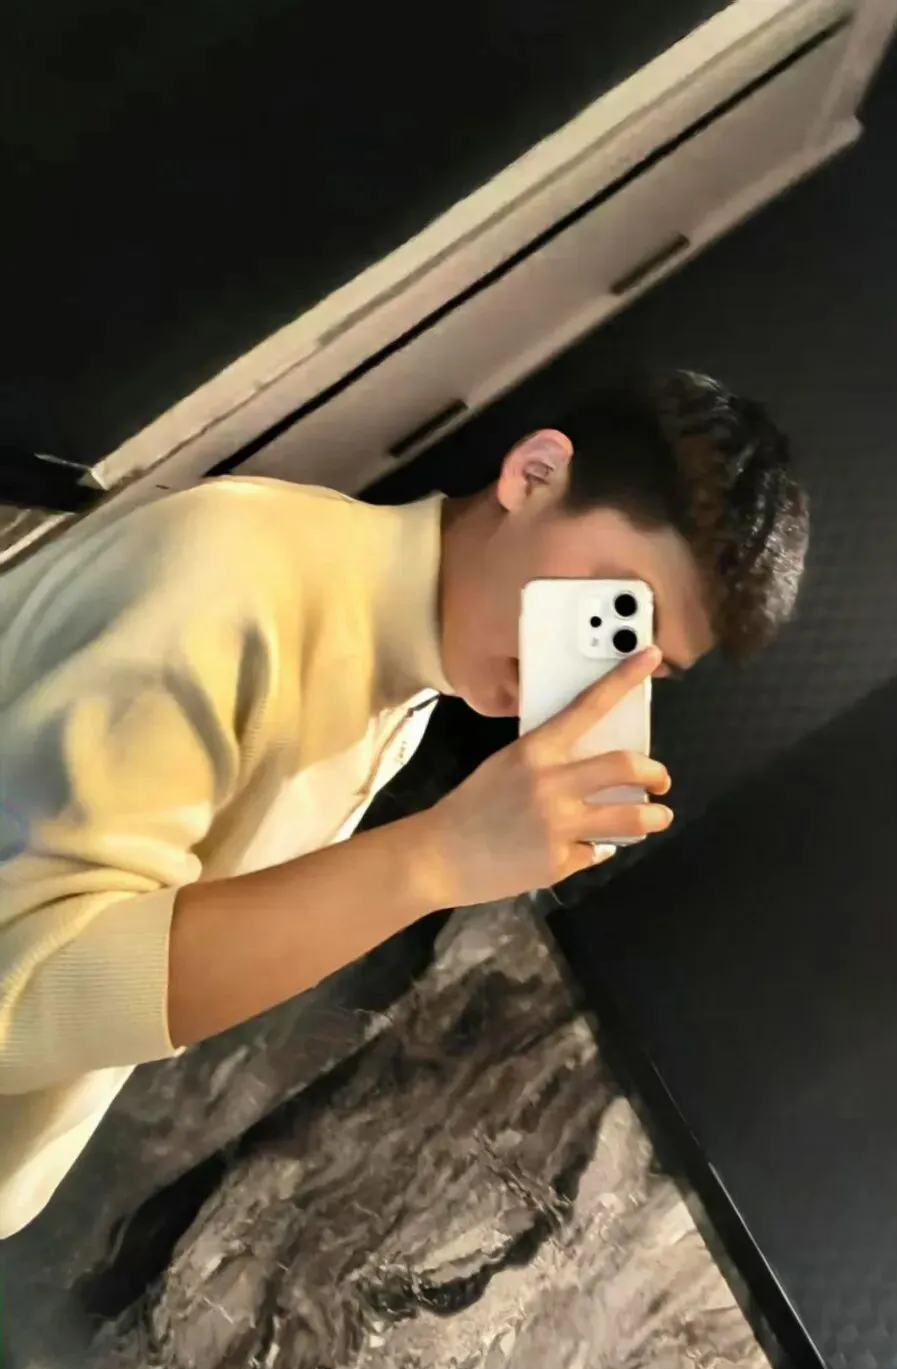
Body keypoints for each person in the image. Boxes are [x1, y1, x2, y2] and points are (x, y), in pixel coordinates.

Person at [0, 368, 809, 1237]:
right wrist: (437, 857)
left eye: (643, 662)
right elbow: (22, 986)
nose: (591, 666)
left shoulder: (400, 689)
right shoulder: (233, 577)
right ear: (533, 475)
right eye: (606, 611)